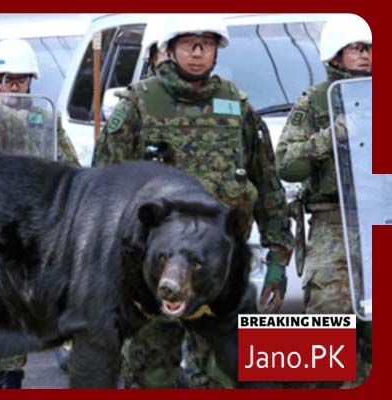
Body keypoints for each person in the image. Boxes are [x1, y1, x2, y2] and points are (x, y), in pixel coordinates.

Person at [93, 15, 293, 388]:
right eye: (189, 44)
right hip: (155, 270)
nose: (199, 53)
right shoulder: (138, 105)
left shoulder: (237, 106)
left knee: (224, 375)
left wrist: (278, 262)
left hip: (219, 269)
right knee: (152, 374)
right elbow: (105, 189)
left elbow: (268, 186)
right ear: (169, 50)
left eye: (208, 44)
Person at [275, 13, 372, 388]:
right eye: (357, 48)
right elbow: (287, 165)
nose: (366, 56)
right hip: (333, 226)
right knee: (329, 331)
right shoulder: (316, 102)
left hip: (380, 223)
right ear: (335, 54)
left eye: (371, 49)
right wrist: (332, 136)